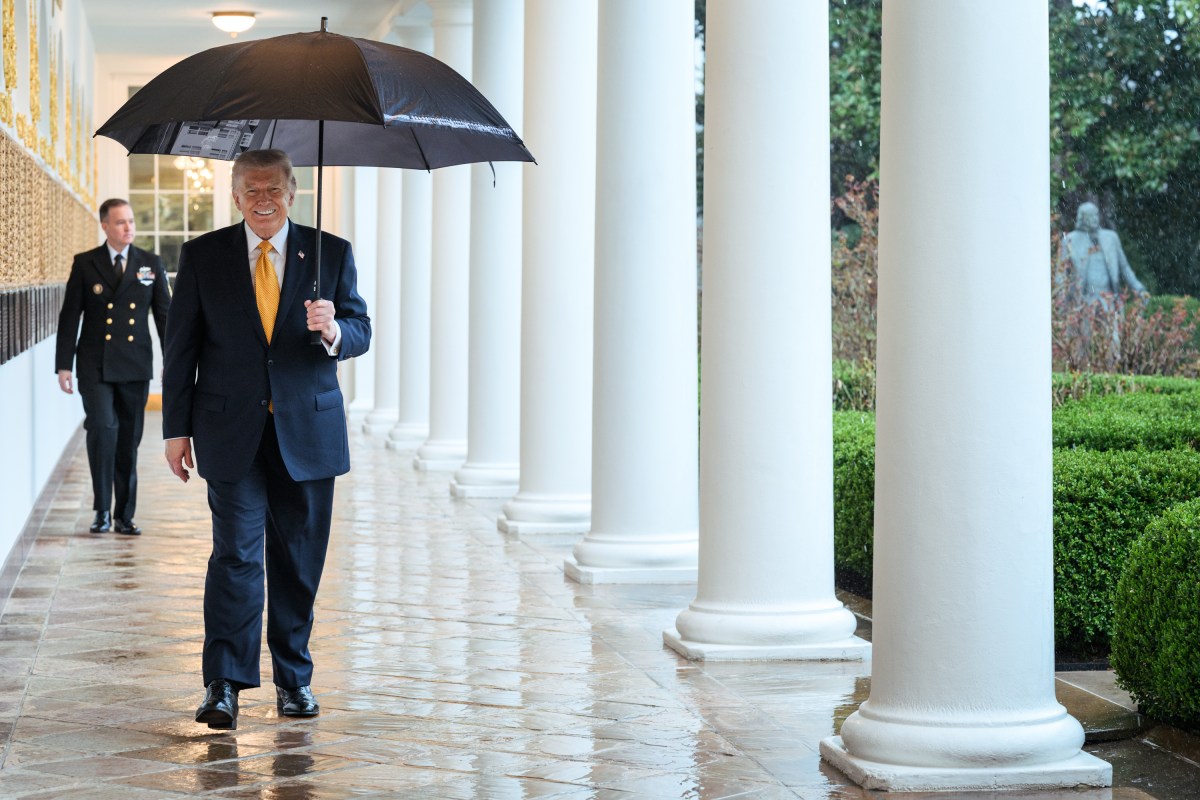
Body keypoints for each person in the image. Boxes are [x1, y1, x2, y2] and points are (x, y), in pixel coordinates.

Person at [162, 149, 371, 730]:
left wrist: (333, 328)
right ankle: (223, 684)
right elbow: (182, 349)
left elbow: (361, 328)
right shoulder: (203, 256)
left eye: (273, 189)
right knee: (234, 556)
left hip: (307, 432)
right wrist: (175, 429)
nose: (262, 199)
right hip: (230, 433)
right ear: (233, 195)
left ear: (292, 192)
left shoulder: (331, 252)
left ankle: (294, 679)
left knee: (298, 562)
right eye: (251, 189)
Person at [55, 198, 171, 535]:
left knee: (127, 442)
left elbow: (164, 316)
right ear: (105, 226)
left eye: (131, 221)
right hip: (94, 366)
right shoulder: (85, 263)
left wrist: (173, 361)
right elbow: (69, 317)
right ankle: (101, 510)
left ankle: (124, 514)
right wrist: (63, 365)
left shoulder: (150, 263)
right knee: (103, 432)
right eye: (120, 222)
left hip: (134, 366)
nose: (128, 228)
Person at [1060, 201, 1149, 305]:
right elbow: (1061, 273)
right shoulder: (1070, 240)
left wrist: (1139, 289)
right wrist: (1061, 299)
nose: (1095, 218)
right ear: (1082, 218)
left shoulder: (1111, 238)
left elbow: (1125, 269)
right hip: (1083, 302)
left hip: (1109, 300)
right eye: (1090, 215)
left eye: (1096, 214)